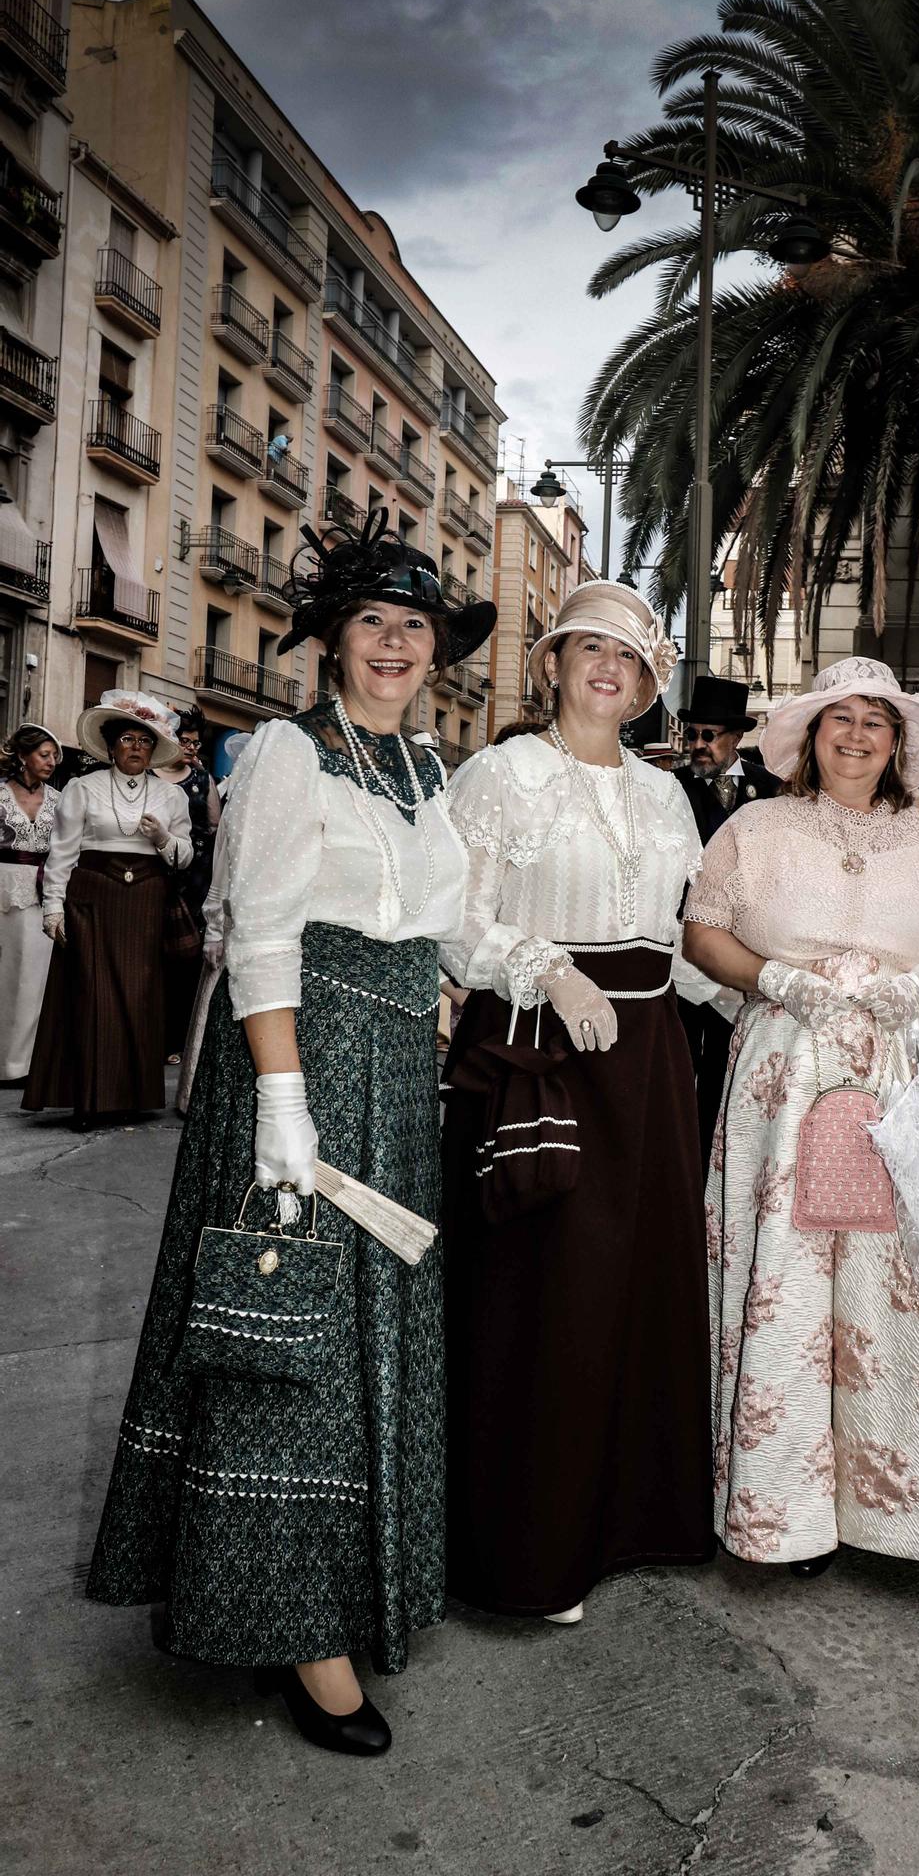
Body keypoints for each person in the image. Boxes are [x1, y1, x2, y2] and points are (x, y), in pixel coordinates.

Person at [87, 512, 496, 1756]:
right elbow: (258, 928)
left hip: (394, 1076)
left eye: (413, 627)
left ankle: (357, 1581)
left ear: (437, 654)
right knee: (289, 1335)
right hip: (299, 1052)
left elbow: (454, 930)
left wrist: (547, 966)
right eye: (371, 621)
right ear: (330, 641)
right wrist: (279, 1098)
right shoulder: (284, 753)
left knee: (369, 1327)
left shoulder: (429, 773)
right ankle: (296, 1631)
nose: (393, 644)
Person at [440, 580, 721, 1624]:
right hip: (536, 1050)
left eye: (631, 657)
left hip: (646, 1064)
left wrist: (770, 988)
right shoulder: (499, 773)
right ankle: (524, 1551)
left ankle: (624, 1523)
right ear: (550, 663)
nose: (609, 667)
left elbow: (684, 940)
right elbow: (451, 919)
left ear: (649, 686)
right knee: (538, 1296)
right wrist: (544, 968)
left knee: (633, 1293)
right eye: (587, 648)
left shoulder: (665, 796)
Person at [683, 657, 919, 1574]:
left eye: (876, 721)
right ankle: (782, 1511)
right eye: (839, 720)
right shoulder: (755, 827)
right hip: (785, 1073)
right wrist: (771, 978)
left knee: (897, 1282)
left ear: (897, 742)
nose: (857, 736)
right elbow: (703, 930)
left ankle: (903, 1511)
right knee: (783, 1276)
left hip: (900, 1074)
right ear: (809, 736)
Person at [23, 694, 191, 1127]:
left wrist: (163, 841)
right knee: (91, 996)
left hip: (146, 900)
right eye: (127, 739)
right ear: (112, 746)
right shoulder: (83, 788)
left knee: (139, 996)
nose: (136, 747)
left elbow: (185, 856)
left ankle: (131, 1097)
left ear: (153, 750)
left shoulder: (171, 796)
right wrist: (52, 909)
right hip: (92, 895)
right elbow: (62, 853)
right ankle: (88, 1101)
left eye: (144, 741)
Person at [674, 677, 781, 1161]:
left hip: (743, 956)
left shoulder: (776, 793)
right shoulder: (670, 787)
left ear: (735, 737)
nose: (697, 745)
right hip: (677, 952)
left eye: (708, 735)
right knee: (676, 1066)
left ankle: (717, 1167)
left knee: (728, 1067)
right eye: (691, 734)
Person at [154, 706, 221, 1061]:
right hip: (157, 870)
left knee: (186, 958)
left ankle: (177, 1040)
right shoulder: (151, 775)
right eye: (185, 741)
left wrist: (204, 776)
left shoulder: (201, 778)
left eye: (195, 743)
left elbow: (214, 825)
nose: (191, 747)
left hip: (194, 875)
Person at [0, 723, 63, 1081]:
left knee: (35, 978)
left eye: (55, 755)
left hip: (44, 889)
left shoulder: (60, 799)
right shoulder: (0, 796)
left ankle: (23, 1065)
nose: (51, 761)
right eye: (44, 754)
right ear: (23, 756)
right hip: (4, 887)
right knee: (5, 974)